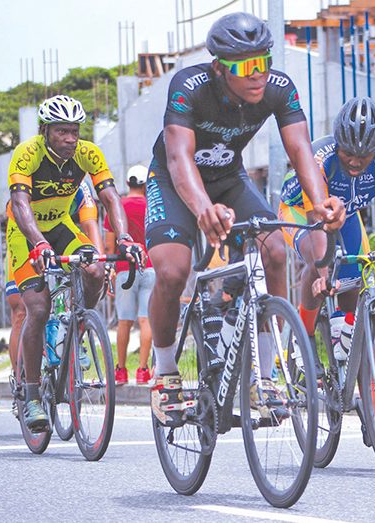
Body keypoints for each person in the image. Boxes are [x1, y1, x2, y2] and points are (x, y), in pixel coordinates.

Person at [145, 12, 345, 427]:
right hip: (175, 181)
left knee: (275, 250)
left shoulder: (278, 88)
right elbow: (179, 157)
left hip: (228, 179)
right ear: (219, 67)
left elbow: (301, 149)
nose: (258, 75)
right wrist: (203, 209)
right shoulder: (188, 86)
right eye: (246, 66)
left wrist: (320, 202)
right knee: (172, 271)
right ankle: (164, 372)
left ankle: (265, 377)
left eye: (264, 62)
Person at [279, 97, 375, 443]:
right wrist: (324, 273)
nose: (354, 161)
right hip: (302, 212)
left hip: (347, 215)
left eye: (363, 156)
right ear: (338, 142)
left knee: (356, 293)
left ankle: (371, 414)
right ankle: (304, 339)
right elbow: (317, 220)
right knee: (318, 262)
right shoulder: (321, 159)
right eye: (348, 153)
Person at [7, 94, 143, 432]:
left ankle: (78, 326)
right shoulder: (27, 154)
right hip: (26, 232)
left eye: (75, 131)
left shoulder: (88, 153)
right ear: (45, 130)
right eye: (62, 131)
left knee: (95, 269)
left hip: (60, 226)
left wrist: (124, 238)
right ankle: (32, 395)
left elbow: (110, 197)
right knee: (38, 308)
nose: (70, 139)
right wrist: (39, 243)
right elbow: (20, 204)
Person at [4, 181, 101, 417]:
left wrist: (100, 262)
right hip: (27, 239)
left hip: (63, 239)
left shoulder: (80, 187)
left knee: (87, 274)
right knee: (22, 310)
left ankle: (72, 333)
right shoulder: (33, 179)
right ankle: (22, 384)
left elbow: (90, 224)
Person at [104, 165, 155, 386]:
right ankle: (143, 370)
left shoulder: (117, 207)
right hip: (149, 267)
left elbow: (109, 245)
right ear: (145, 185)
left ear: (127, 183)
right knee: (146, 319)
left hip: (124, 269)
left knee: (124, 321)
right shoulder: (151, 206)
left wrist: (110, 272)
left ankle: (121, 370)